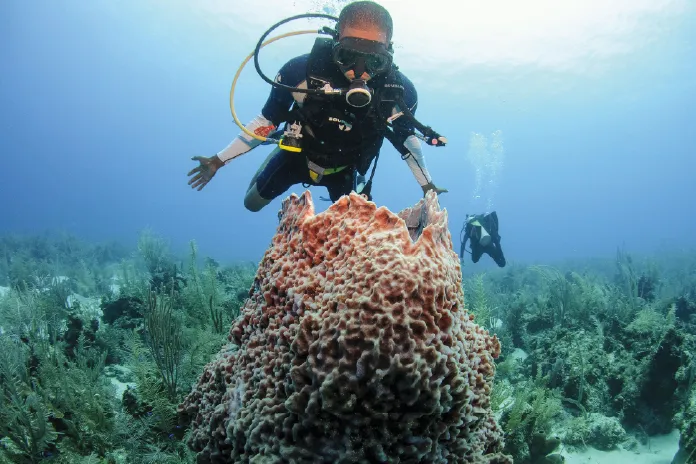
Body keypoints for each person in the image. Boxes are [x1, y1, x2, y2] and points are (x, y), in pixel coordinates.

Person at [187, 1, 447, 212]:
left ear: (388, 55)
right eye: (348, 56)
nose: (359, 72)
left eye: (374, 62)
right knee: (251, 205)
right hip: (297, 155)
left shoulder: (398, 93)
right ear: (335, 44)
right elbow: (266, 122)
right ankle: (275, 151)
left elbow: (407, 141)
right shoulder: (300, 73)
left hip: (346, 170)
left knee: (350, 234)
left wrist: (427, 185)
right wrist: (217, 161)